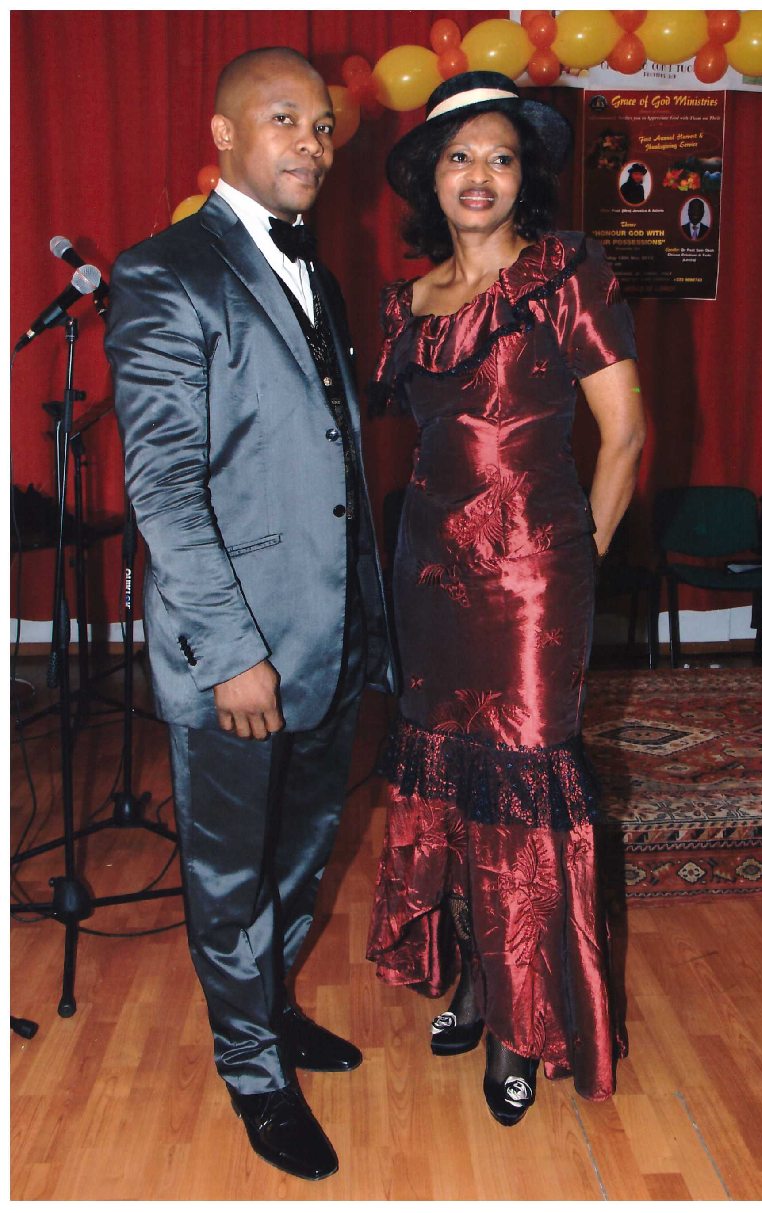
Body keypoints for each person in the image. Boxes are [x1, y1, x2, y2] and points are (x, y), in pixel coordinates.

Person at [104, 46, 395, 1182]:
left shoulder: (317, 267)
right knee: (231, 874)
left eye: (322, 126)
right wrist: (231, 653)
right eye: (285, 120)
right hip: (236, 650)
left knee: (304, 850)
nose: (312, 144)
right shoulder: (162, 272)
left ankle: (269, 1011)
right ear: (224, 134)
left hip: (330, 632)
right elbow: (166, 490)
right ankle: (251, 1073)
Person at [366, 72, 646, 1125]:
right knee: (456, 785)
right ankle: (482, 983)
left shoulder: (563, 273)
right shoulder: (408, 304)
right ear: (428, 178)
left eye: (499, 156)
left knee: (523, 791)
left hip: (533, 580)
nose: (478, 175)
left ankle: (522, 1028)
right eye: (458, 156)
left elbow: (624, 436)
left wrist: (572, 563)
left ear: (524, 176)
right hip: (427, 578)